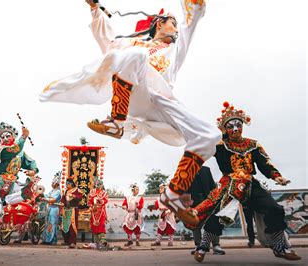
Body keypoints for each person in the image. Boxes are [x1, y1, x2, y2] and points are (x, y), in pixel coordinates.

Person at [40, 0, 221, 226]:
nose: (176, 28)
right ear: (158, 24)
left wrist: (195, 6)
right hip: (136, 94)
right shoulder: (133, 44)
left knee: (211, 136)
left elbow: (190, 26)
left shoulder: (174, 49)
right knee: (133, 54)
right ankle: (116, 120)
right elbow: (107, 41)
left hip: (162, 101)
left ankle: (174, 192)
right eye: (171, 23)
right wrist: (95, 10)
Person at [191, 102, 300, 262]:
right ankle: (202, 247)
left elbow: (265, 163)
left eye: (238, 125)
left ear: (242, 125)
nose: (235, 129)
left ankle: (279, 246)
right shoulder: (220, 145)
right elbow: (203, 147)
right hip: (229, 185)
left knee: (274, 208)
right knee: (219, 214)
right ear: (225, 128)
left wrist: (276, 176)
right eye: (230, 126)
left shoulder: (253, 145)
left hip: (250, 184)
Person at [0, 122, 39, 254]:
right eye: (2, 137)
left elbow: (30, 162)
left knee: (28, 192)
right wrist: (24, 137)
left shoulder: (20, 153)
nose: (4, 138)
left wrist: (33, 170)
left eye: (7, 136)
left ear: (13, 137)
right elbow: (13, 151)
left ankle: (5, 202)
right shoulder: (2, 151)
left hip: (12, 183)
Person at [187, 166, 225, 255]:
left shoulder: (206, 169)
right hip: (194, 202)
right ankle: (198, 245)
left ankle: (216, 246)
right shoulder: (186, 171)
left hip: (208, 200)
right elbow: (184, 188)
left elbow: (212, 185)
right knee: (195, 224)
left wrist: (216, 199)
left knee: (213, 221)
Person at [61, 179, 83, 248]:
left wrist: (74, 196)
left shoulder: (77, 190)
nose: (67, 186)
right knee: (65, 225)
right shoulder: (66, 191)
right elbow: (63, 200)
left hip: (73, 210)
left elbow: (80, 198)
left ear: (71, 184)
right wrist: (61, 204)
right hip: (66, 210)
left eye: (68, 184)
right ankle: (66, 241)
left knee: (72, 226)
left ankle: (72, 242)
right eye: (66, 184)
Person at [42, 172, 62, 245]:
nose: (51, 184)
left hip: (54, 209)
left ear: (56, 184)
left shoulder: (58, 192)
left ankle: (51, 240)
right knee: (47, 223)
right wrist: (43, 196)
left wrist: (45, 199)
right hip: (49, 208)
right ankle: (47, 239)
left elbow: (53, 200)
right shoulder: (51, 191)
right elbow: (47, 196)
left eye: (53, 183)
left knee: (52, 224)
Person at [88, 177, 108, 248]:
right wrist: (91, 207)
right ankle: (96, 243)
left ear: (102, 185)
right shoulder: (92, 192)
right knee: (94, 227)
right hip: (94, 212)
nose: (98, 186)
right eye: (97, 185)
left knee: (101, 226)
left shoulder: (104, 193)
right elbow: (89, 201)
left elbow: (105, 201)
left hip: (101, 212)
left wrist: (99, 201)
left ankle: (102, 242)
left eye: (99, 185)